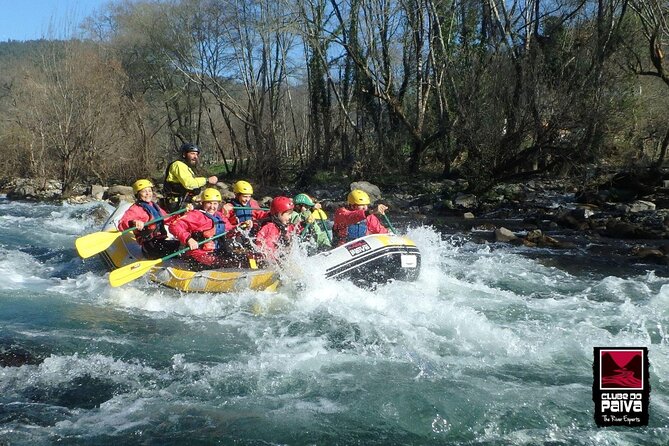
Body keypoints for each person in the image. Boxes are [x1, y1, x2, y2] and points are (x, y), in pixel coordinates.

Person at [168, 188, 237, 270]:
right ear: (202, 203)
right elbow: (174, 226)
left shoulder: (219, 216)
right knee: (220, 264)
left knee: (238, 260)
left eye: (215, 204)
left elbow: (230, 231)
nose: (212, 207)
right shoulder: (196, 215)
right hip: (198, 254)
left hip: (216, 252)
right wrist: (188, 239)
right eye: (209, 203)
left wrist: (241, 227)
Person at [118, 179, 181, 259]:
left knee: (181, 245)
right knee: (180, 251)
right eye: (144, 191)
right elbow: (121, 224)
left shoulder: (154, 206)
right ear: (138, 194)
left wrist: (181, 215)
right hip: (150, 247)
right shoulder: (135, 209)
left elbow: (168, 219)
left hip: (161, 241)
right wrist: (134, 222)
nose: (148, 194)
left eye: (149, 191)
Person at [162, 142, 218, 212]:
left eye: (196, 154)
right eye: (192, 153)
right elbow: (189, 184)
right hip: (176, 204)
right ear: (184, 154)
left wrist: (195, 198)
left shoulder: (187, 167)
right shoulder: (178, 165)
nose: (195, 157)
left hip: (184, 201)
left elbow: (188, 189)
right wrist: (207, 180)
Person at [255, 196, 299, 261]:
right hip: (267, 259)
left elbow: (295, 230)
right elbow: (267, 245)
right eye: (288, 214)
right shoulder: (270, 227)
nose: (290, 217)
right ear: (277, 214)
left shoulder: (285, 225)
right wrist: (272, 259)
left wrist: (304, 223)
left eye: (291, 214)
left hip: (278, 257)